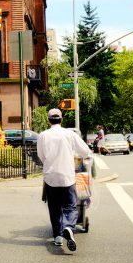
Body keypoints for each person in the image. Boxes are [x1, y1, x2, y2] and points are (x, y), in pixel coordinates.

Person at [37, 108, 92, 252]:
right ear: (61, 119)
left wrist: (49, 164)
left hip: (50, 177)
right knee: (70, 206)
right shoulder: (69, 134)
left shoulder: (43, 135)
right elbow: (85, 151)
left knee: (54, 207)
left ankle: (57, 236)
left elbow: (41, 156)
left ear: (49, 120)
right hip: (67, 176)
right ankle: (68, 226)